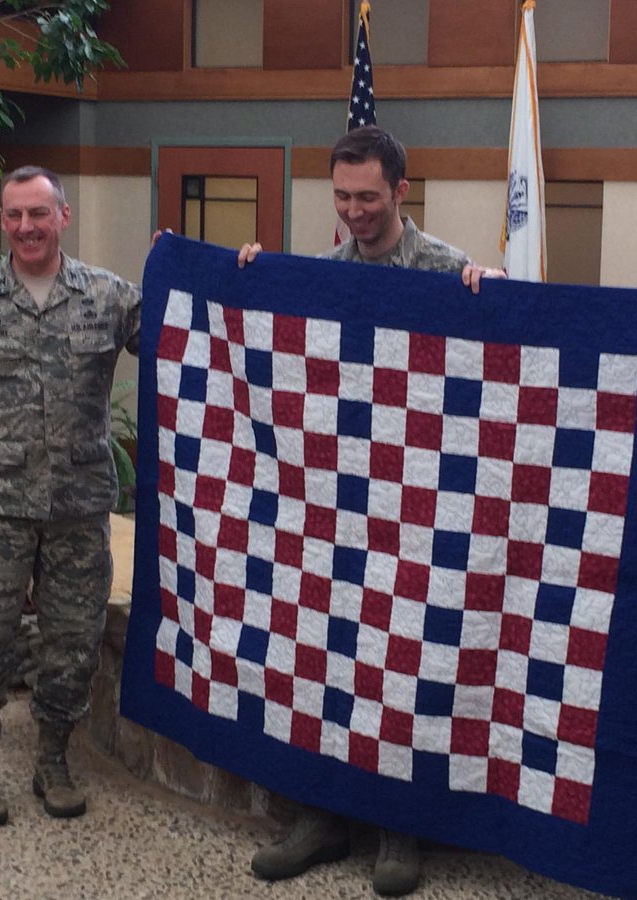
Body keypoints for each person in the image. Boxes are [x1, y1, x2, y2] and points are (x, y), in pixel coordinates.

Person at [238, 126, 504, 895]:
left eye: (368, 197)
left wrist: (495, 300)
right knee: (322, 653)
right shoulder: (320, 275)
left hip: (421, 510)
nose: (354, 211)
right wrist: (255, 280)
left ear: (400, 192)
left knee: (409, 660)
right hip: (334, 507)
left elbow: (493, 380)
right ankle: (322, 816)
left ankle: (398, 825)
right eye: (342, 196)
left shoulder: (450, 272)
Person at [0, 165, 141, 827]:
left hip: (77, 506)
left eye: (37, 214)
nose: (25, 228)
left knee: (73, 640)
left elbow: (184, 334)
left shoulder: (107, 297)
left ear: (63, 217)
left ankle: (53, 757)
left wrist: (218, 269)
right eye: (13, 215)